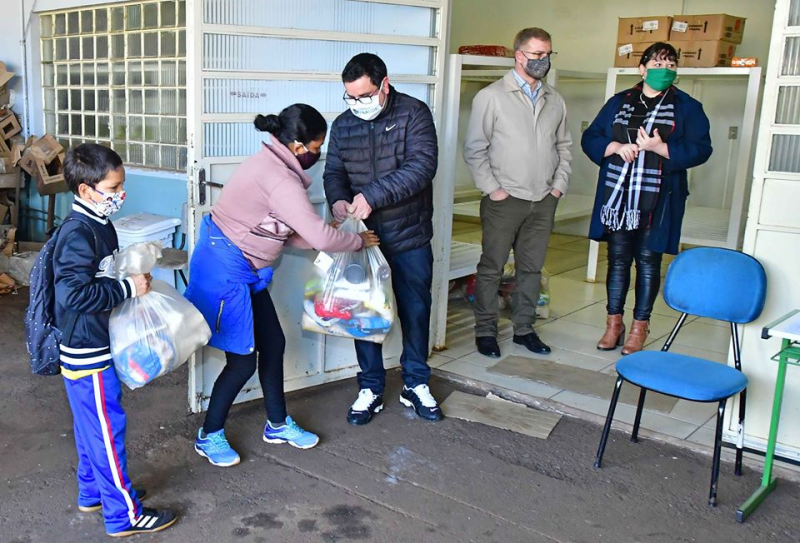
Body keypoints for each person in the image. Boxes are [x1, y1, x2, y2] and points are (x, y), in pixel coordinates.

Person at [185, 104, 378, 467]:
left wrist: (328, 234)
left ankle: (276, 424)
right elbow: (317, 236)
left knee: (273, 345)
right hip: (225, 271)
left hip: (244, 271)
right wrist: (355, 241)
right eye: (317, 147)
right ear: (297, 146)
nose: (318, 154)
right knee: (242, 362)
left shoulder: (274, 165)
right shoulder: (278, 178)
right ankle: (209, 435)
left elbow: (289, 234)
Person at [54, 143, 177, 536]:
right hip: (86, 349)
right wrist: (127, 289)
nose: (120, 194)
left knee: (92, 426)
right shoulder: (79, 232)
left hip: (90, 342)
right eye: (113, 187)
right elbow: (73, 294)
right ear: (86, 189)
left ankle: (94, 493)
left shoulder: (97, 223)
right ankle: (123, 515)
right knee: (107, 430)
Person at [324, 53, 441, 425]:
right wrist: (339, 200)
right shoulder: (343, 125)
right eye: (351, 97)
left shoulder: (414, 114)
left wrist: (372, 196)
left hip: (409, 234)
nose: (358, 105)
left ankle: (416, 382)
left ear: (384, 85)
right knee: (362, 311)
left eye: (364, 96)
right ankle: (371, 387)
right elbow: (333, 172)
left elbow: (422, 167)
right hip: (364, 238)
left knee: (415, 308)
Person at [581, 42, 712, 354]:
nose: (664, 71)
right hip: (618, 198)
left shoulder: (688, 107)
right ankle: (614, 324)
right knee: (617, 260)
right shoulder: (618, 102)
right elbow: (592, 137)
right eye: (657, 64)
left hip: (659, 199)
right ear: (642, 68)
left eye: (670, 65)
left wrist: (660, 149)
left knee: (649, 262)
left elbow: (702, 148)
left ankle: (640, 327)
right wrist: (614, 147)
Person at [463, 27, 572, 359]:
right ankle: (486, 331)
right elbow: (475, 149)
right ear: (519, 54)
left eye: (548, 54)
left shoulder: (555, 99)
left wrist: (558, 186)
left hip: (543, 200)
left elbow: (564, 146)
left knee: (531, 268)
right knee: (492, 267)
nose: (543, 61)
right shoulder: (492, 96)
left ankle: (524, 329)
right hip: (505, 199)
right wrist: (493, 190)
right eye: (537, 54)